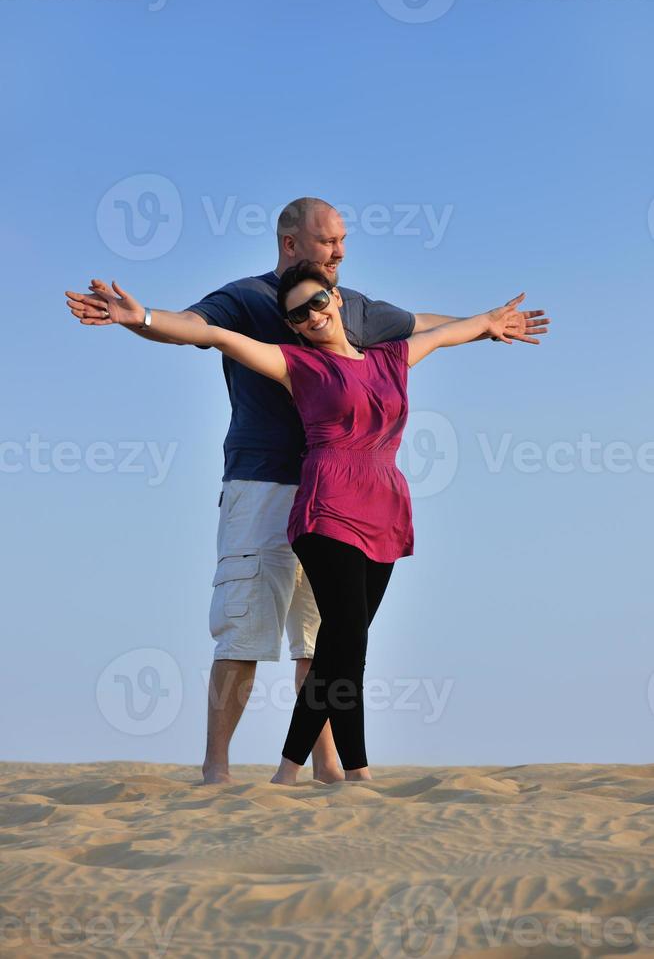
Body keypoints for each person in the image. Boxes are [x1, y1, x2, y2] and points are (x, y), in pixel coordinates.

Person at [65, 197, 549, 784]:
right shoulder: (248, 298)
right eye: (328, 241)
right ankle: (216, 769)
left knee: (322, 641)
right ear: (291, 243)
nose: (340, 252)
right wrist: (138, 318)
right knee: (243, 632)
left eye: (343, 241)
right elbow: (200, 329)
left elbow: (424, 327)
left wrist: (488, 325)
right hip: (263, 484)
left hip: (346, 508)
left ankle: (326, 768)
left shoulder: (358, 308)